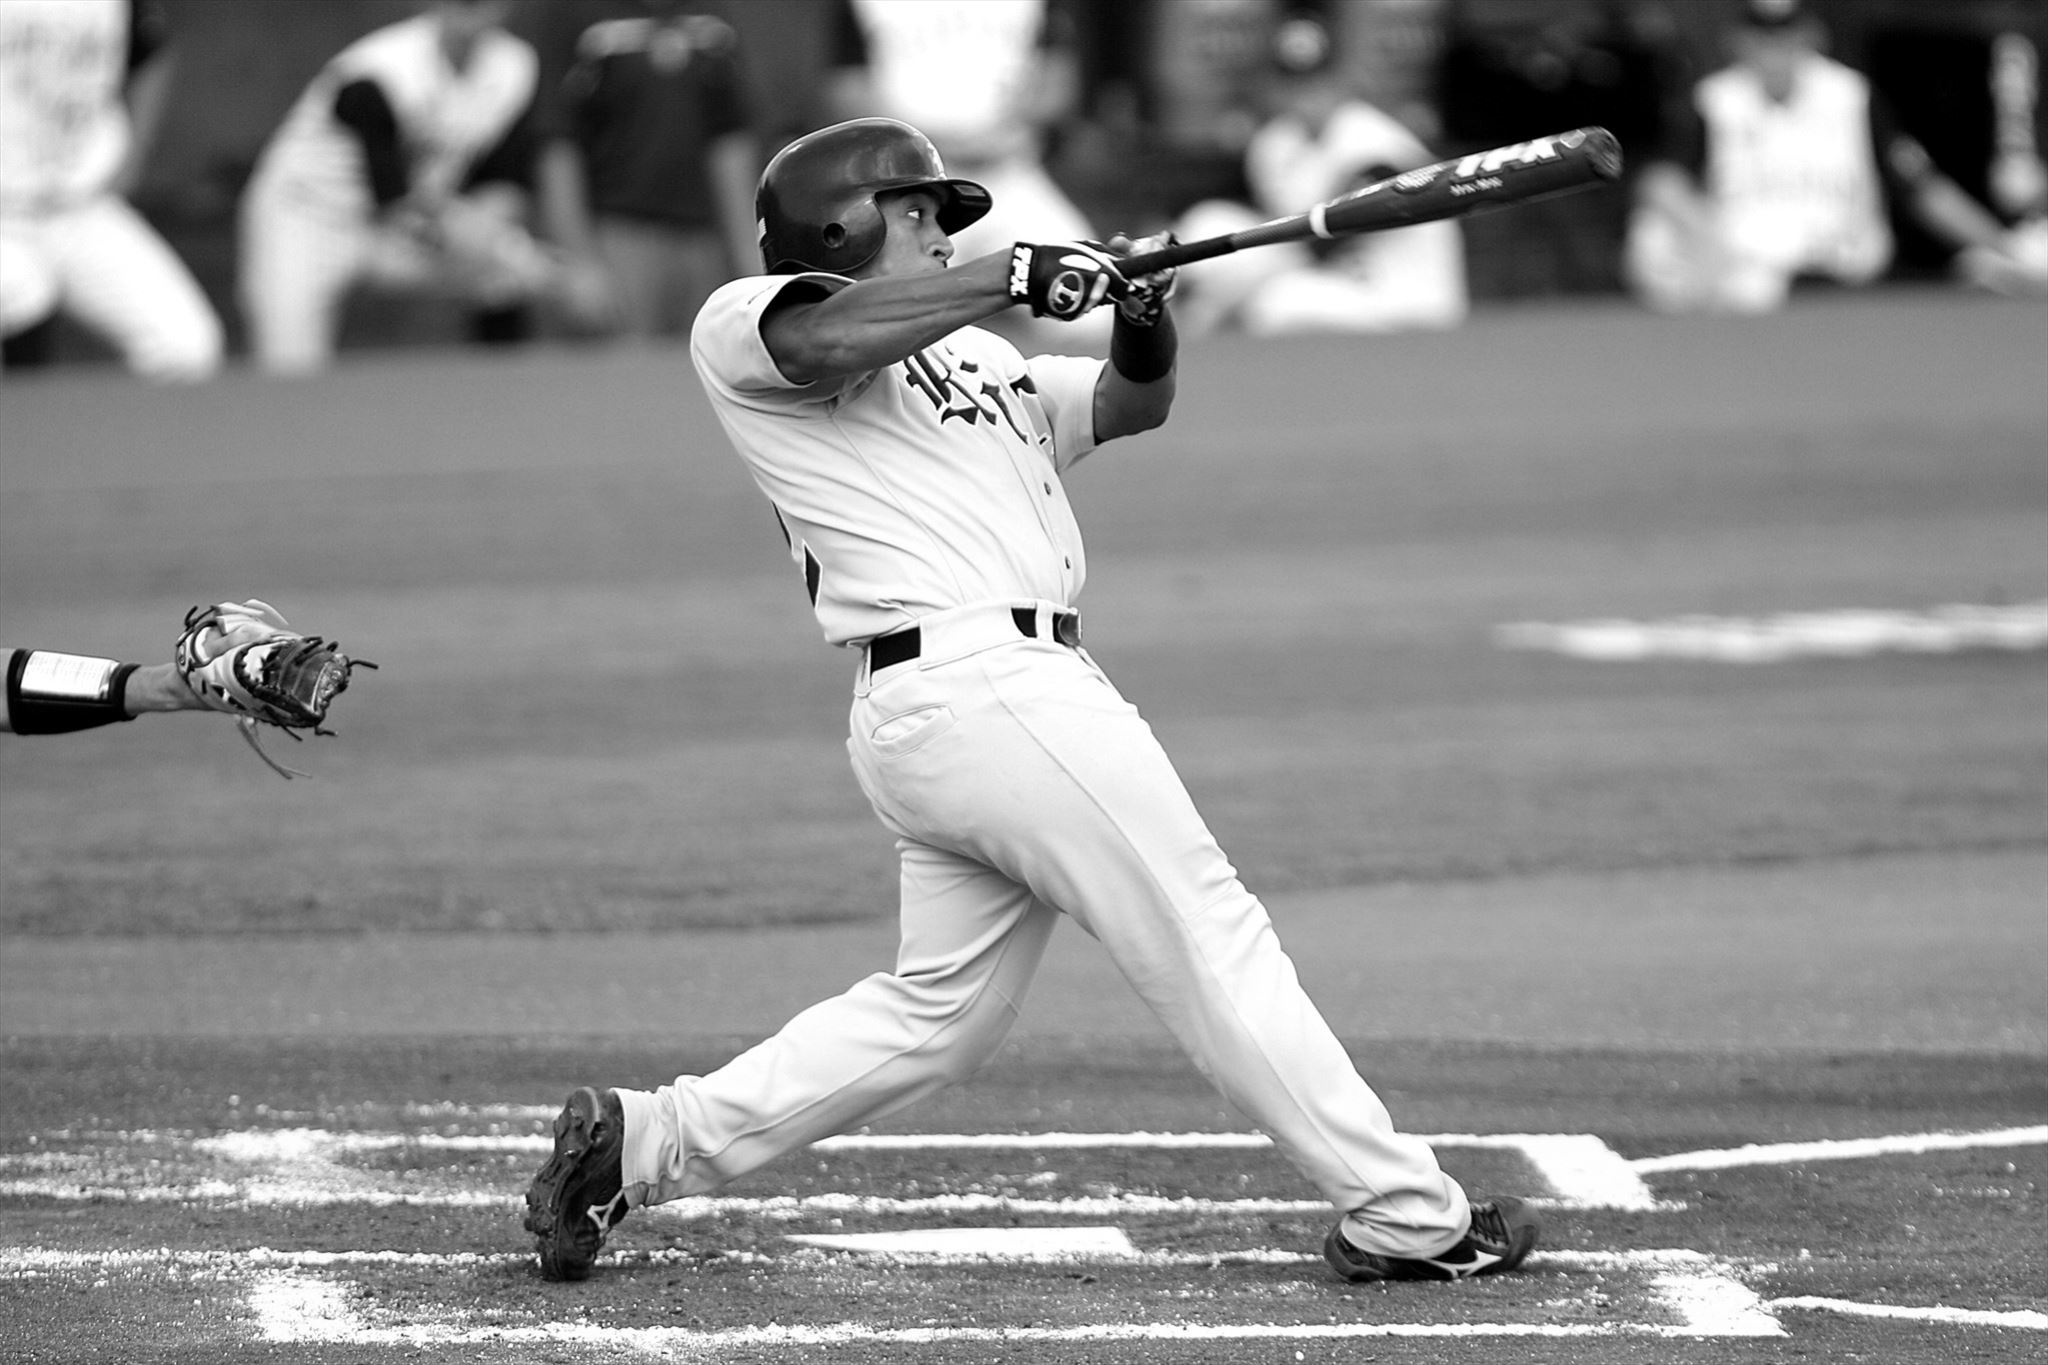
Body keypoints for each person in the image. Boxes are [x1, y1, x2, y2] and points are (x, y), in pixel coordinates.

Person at [522, 115, 1540, 1289]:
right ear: (838, 225)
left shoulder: (978, 359)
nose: (940, 230)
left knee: (936, 1018)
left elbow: (1127, 402)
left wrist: (1141, 312)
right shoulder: (747, 325)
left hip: (971, 714)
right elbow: (825, 339)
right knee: (1209, 938)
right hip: (985, 693)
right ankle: (1405, 1214)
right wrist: (1009, 273)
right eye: (915, 212)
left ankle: (644, 1144)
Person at [1624, 0, 2047, 314]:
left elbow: (1922, 189)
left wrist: (2004, 247)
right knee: (1655, 234)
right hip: (1748, 285)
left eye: (1785, 34)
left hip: (1845, 283)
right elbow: (1660, 182)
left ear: (1811, 36)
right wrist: (1703, 234)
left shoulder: (1850, 95)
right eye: (1762, 35)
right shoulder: (1716, 100)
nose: (1774, 48)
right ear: (1738, 41)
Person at [237, 0, 558, 375]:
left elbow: (505, 178)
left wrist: (501, 241)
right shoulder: (379, 68)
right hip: (305, 217)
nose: (470, 6)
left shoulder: (515, 65)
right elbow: (394, 204)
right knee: (289, 367)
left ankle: (504, 392)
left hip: (399, 223)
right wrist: (490, 239)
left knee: (502, 273)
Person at [827, 0, 1108, 351]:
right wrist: (930, 143)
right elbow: (846, 94)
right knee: (885, 322)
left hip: (1011, 176)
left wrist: (1013, 125)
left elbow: (1058, 83)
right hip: (910, 189)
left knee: (1092, 312)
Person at [1173, 12, 1468, 337]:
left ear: (1343, 79)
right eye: (1293, 82)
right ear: (1273, 86)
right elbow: (1277, 225)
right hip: (1339, 279)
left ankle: (1192, 316)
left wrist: (1234, 285)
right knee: (1206, 222)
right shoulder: (1275, 142)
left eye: (1318, 80)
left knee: (1276, 303)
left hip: (1404, 292)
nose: (1307, 94)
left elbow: (1328, 242)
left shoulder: (1374, 140)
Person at [0, 0, 223, 382]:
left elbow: (151, 51)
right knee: (22, 300)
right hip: (5, 210)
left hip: (84, 205)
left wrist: (136, 152)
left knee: (186, 349)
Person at [523, 0, 759, 340]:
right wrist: (580, 261)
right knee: (624, 367)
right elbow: (558, 143)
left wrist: (748, 256)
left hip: (704, 239)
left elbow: (729, 138)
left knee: (704, 362)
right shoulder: (577, 15)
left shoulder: (711, 16)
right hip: (619, 236)